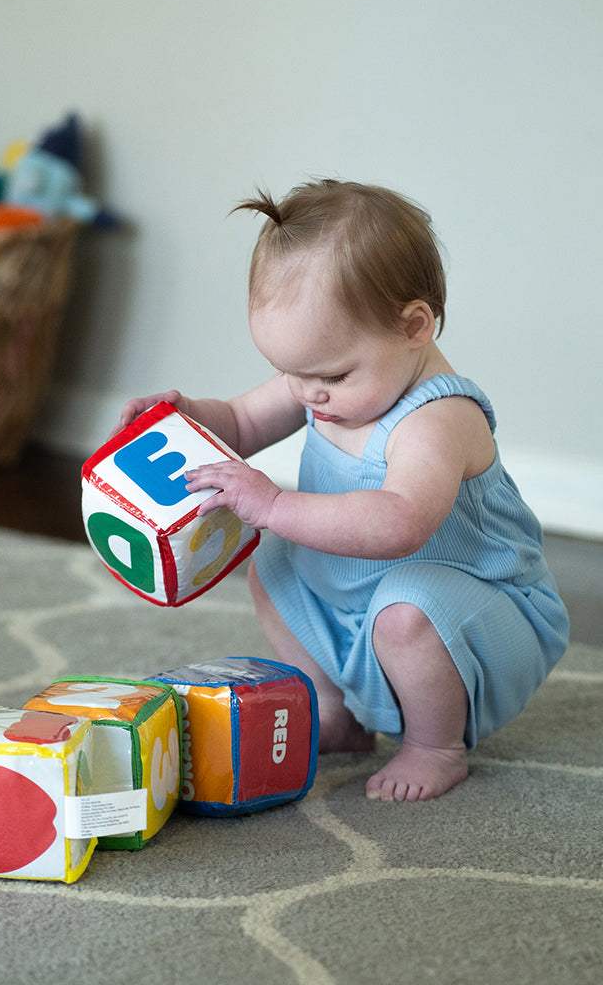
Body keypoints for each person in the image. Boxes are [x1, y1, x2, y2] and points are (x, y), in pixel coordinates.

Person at [113, 179, 569, 802]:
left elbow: (399, 522)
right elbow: (243, 423)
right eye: (286, 372)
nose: (306, 394)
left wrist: (272, 504)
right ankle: (335, 711)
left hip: (479, 614)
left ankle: (437, 745)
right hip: (361, 600)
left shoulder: (438, 419)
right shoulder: (322, 378)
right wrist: (184, 416)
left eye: (328, 375)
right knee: (272, 561)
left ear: (414, 326)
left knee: (407, 608)